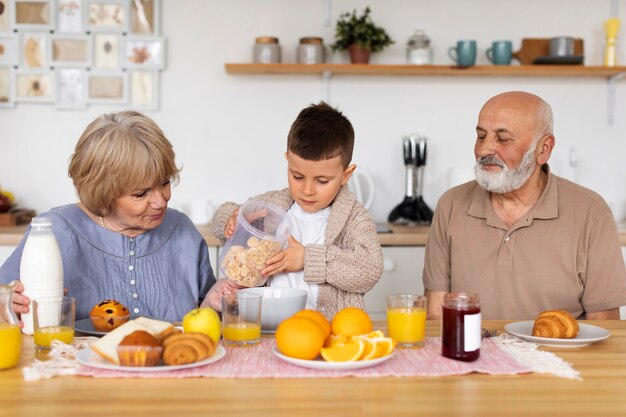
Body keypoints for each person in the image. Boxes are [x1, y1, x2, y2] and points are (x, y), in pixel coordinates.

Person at [0, 111, 237, 325]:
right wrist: (7, 304)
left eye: (164, 182)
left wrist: (214, 302)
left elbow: (202, 317)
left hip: (170, 368)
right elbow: (5, 295)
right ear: (103, 193)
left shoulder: (182, 229)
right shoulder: (54, 231)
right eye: (141, 193)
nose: (161, 200)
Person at [423, 91, 626, 320]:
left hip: (559, 356)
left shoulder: (591, 213)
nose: (483, 150)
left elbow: (604, 327)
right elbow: (436, 315)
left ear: (543, 149)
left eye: (503, 139)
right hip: (471, 354)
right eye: (481, 136)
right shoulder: (450, 205)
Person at [212, 102, 383, 319]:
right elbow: (222, 215)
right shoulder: (274, 203)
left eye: (322, 180)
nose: (307, 190)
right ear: (288, 161)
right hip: (270, 328)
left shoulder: (355, 218)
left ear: (346, 175)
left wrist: (307, 259)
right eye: (297, 176)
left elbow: (369, 269)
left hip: (331, 332)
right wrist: (233, 218)